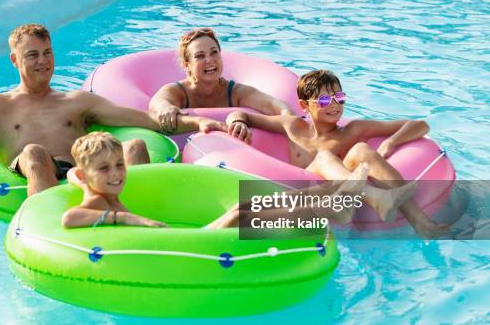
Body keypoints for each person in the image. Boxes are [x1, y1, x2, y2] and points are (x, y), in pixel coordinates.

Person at [0, 24, 225, 196]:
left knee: (135, 145)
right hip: (34, 171)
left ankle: (139, 223)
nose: (43, 61)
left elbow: (146, 121)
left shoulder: (77, 102)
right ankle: (45, 225)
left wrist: (197, 122)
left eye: (48, 52)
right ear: (15, 61)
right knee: (33, 152)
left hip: (84, 171)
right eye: (32, 55)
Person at [225, 69, 450, 237]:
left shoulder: (354, 130)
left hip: (338, 191)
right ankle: (374, 197)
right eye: (324, 100)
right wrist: (238, 123)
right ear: (304, 106)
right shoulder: (293, 126)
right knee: (324, 156)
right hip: (306, 192)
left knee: (362, 150)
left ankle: (422, 223)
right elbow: (242, 114)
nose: (334, 105)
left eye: (339, 98)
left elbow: (420, 125)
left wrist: (391, 143)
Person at [63, 132, 379, 229]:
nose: (117, 173)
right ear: (87, 175)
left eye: (119, 165)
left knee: (249, 204)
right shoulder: (95, 201)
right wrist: (129, 218)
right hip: (178, 244)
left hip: (174, 237)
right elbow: (69, 217)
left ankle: (334, 202)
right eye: (105, 169)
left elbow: (78, 178)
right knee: (241, 213)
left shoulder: (94, 187)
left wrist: (84, 179)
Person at [149, 27, 295, 143]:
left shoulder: (235, 92)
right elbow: (158, 102)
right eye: (200, 56)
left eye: (214, 53)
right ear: (187, 65)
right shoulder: (178, 91)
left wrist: (289, 118)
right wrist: (165, 108)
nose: (209, 60)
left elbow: (273, 104)